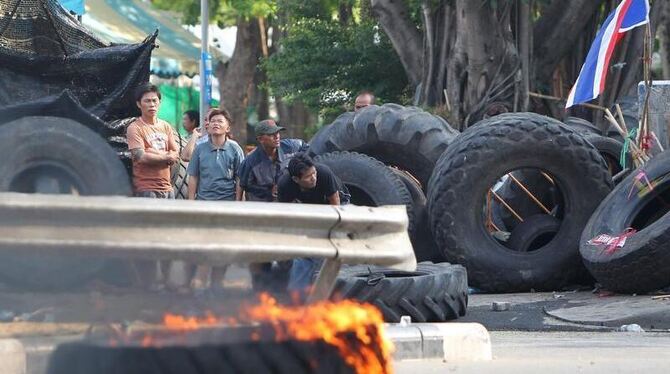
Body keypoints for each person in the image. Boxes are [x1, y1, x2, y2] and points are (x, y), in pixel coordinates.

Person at [237, 119, 306, 291]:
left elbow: (310, 150)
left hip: (287, 213)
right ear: (261, 139)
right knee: (261, 256)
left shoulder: (290, 147)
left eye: (278, 132)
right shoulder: (250, 162)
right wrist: (239, 211)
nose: (277, 136)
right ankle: (259, 293)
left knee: (287, 256)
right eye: (272, 134)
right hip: (261, 215)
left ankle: (283, 293)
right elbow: (241, 186)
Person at [126, 83, 180, 290]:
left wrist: (158, 155)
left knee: (169, 237)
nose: (151, 104)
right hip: (145, 189)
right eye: (147, 101)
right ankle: (147, 284)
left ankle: (166, 280)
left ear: (159, 103)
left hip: (168, 190)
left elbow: (176, 154)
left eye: (155, 101)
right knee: (147, 238)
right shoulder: (135, 128)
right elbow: (140, 156)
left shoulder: (166, 126)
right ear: (139, 104)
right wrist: (164, 156)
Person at [187, 108, 245, 291]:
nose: (215, 123)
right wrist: (190, 203)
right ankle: (198, 283)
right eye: (212, 121)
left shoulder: (235, 149)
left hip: (227, 205)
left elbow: (240, 179)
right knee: (204, 245)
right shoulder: (200, 149)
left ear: (227, 127)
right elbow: (193, 177)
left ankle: (217, 284)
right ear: (208, 126)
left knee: (223, 246)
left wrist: (238, 203)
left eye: (220, 121)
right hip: (204, 203)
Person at [277, 153, 349, 292]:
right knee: (304, 253)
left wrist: (330, 233)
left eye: (314, 173)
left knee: (332, 247)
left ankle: (335, 289)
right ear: (296, 179)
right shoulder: (285, 185)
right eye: (308, 177)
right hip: (308, 209)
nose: (313, 178)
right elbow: (285, 215)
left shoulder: (324, 173)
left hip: (336, 205)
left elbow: (336, 206)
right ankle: (296, 295)